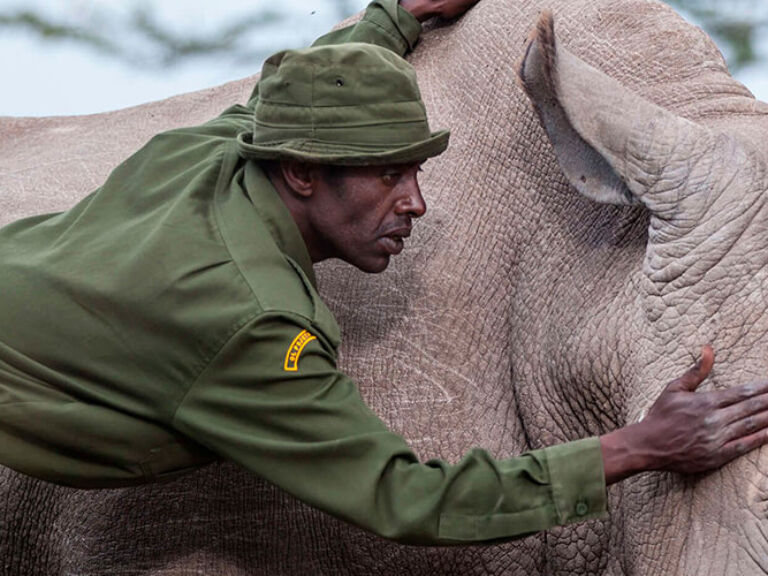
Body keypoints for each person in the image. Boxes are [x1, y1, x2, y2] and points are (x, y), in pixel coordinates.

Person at [2, 0, 768, 546]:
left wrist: (395, 17)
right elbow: (407, 499)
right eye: (387, 177)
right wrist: (637, 447)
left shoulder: (201, 155)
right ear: (302, 174)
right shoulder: (250, 321)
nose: (417, 203)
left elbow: (276, 99)